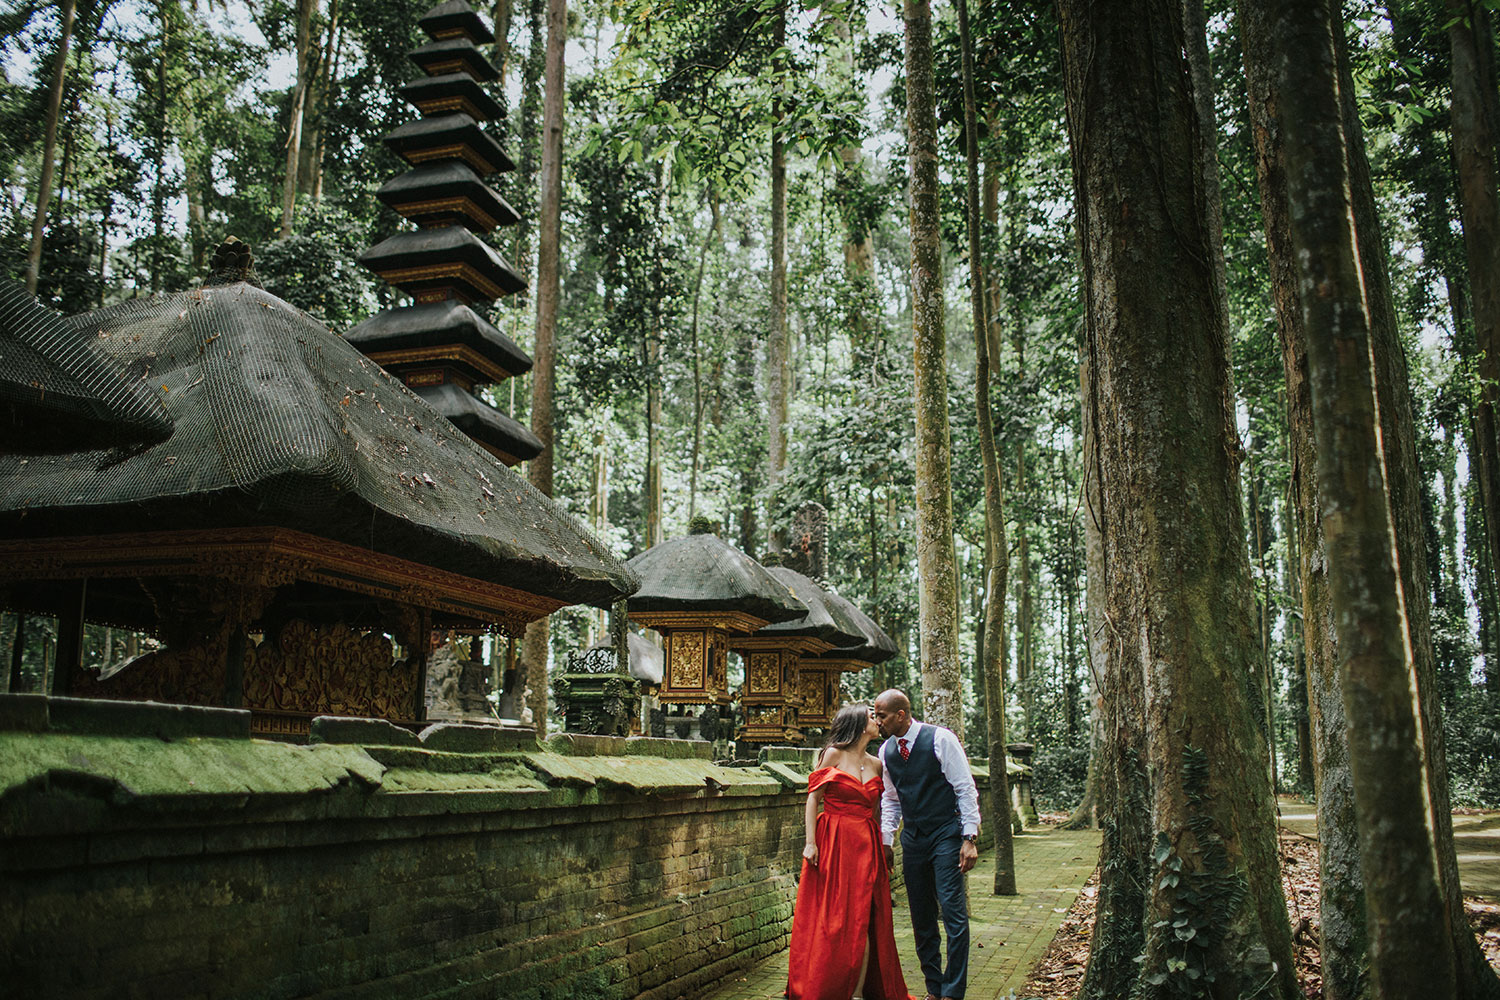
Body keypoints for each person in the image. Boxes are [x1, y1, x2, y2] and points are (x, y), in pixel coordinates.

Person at [786, 703, 916, 1000]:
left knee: (863, 916)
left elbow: (877, 809)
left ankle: (857, 993)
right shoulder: (833, 754)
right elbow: (812, 798)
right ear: (858, 724)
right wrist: (810, 842)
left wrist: (885, 845)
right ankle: (825, 983)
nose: (878, 721)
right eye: (873, 717)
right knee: (833, 917)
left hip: (865, 844)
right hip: (833, 840)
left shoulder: (877, 764)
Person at [873, 689, 980, 1000]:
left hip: (946, 833)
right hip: (914, 839)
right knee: (921, 917)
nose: (877, 722)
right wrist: (886, 840)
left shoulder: (940, 739)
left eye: (882, 716)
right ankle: (934, 988)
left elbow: (964, 787)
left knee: (952, 912)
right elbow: (891, 799)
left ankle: (953, 991)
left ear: (901, 715)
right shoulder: (886, 752)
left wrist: (969, 837)